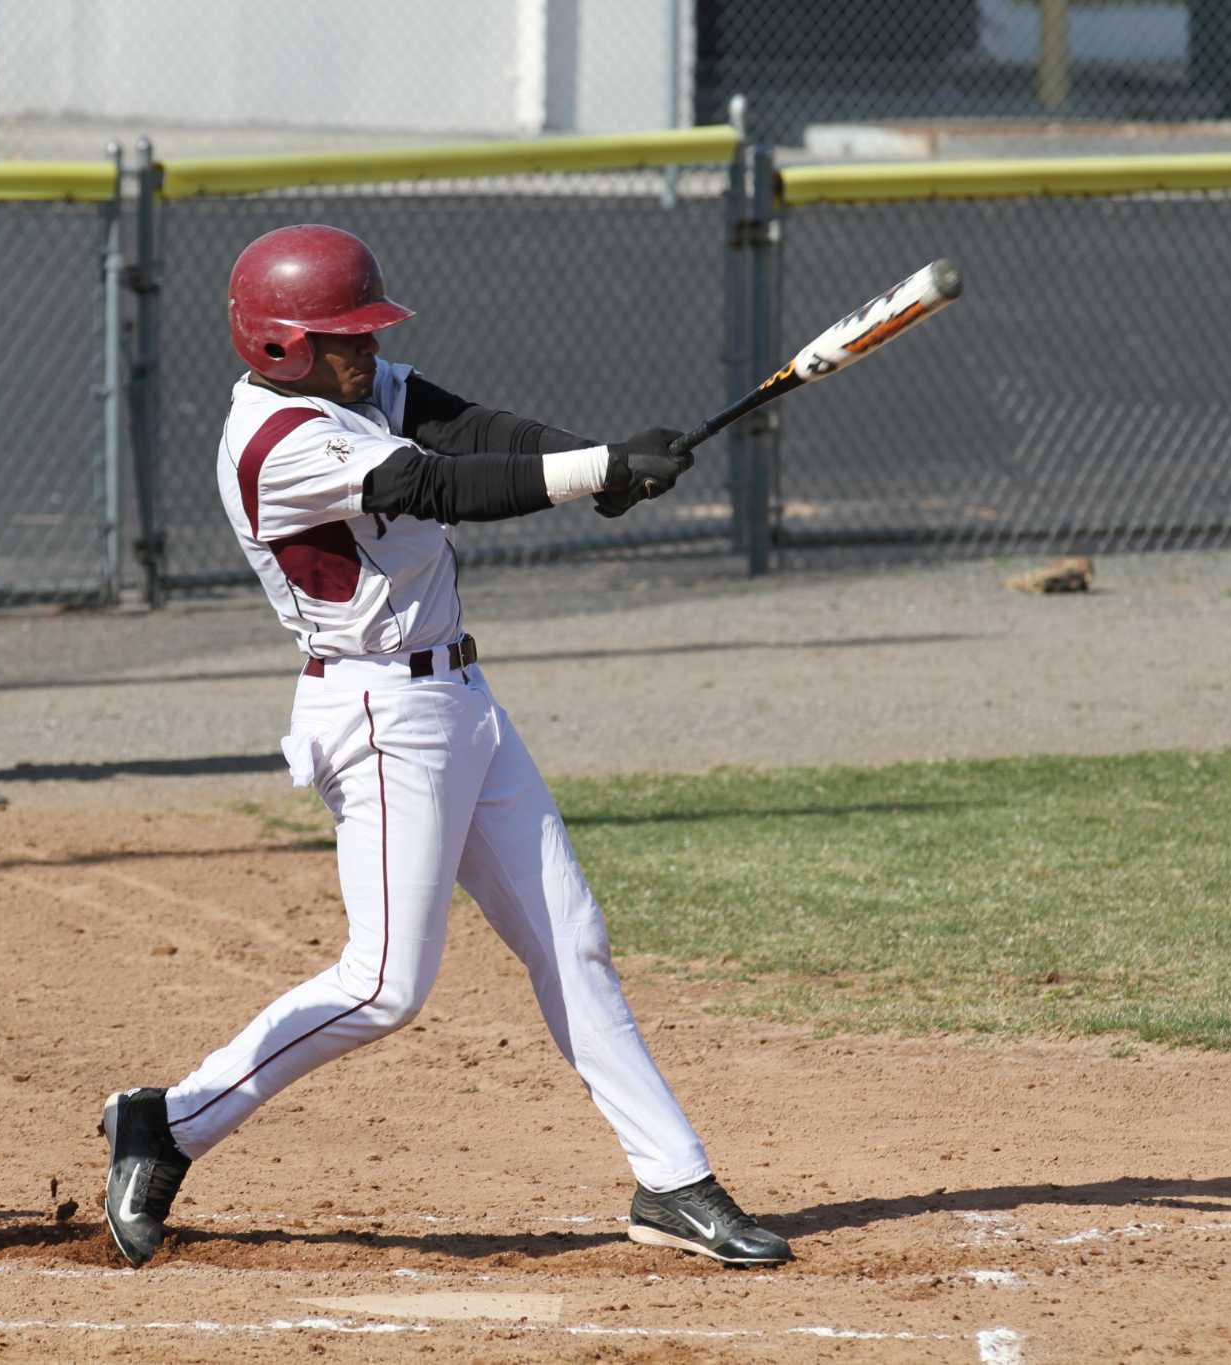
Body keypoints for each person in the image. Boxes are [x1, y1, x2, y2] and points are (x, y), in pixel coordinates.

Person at [99, 224, 792, 1272]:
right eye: (343, 337)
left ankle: (671, 1179)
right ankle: (169, 1121)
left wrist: (591, 465)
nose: (365, 351)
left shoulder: (357, 385)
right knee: (382, 985)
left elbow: (470, 430)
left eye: (366, 331)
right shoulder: (280, 439)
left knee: (571, 939)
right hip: (377, 717)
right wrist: (594, 468)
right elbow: (431, 484)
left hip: (460, 697)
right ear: (281, 346)